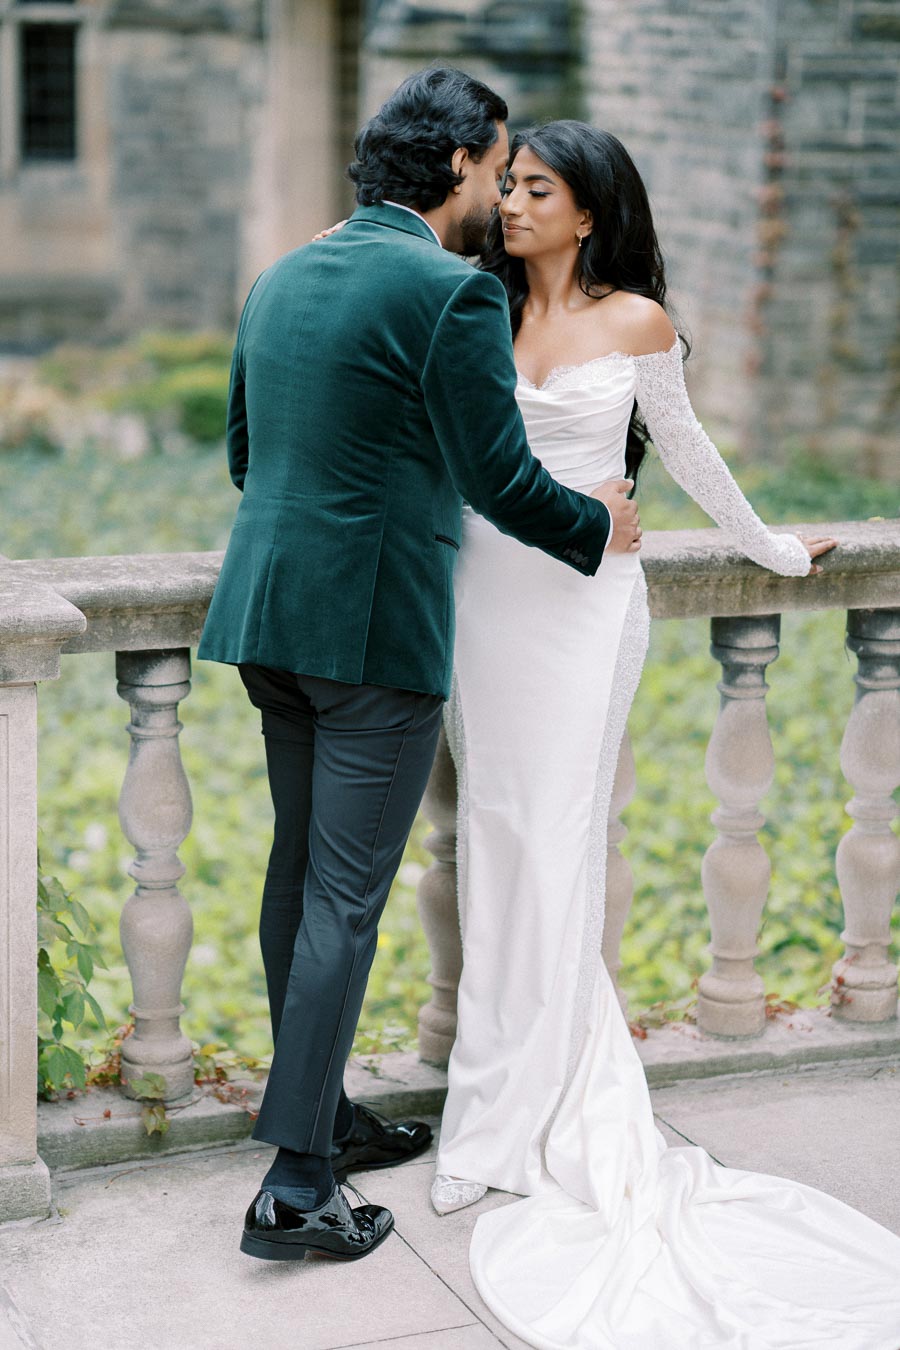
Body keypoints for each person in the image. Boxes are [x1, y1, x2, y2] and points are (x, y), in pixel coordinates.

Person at [427, 120, 900, 1348]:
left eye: (538, 189)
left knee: (564, 843)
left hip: (586, 611)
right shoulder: (473, 307)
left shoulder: (637, 322)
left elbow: (685, 453)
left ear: (590, 213)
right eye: (510, 184)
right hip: (481, 599)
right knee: (493, 839)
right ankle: (483, 1120)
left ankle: (551, 1109)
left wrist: (779, 550)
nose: (513, 202)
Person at [196, 71, 642, 1264]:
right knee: (346, 897)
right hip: (374, 635)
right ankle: (296, 1187)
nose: (505, 188)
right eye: (500, 168)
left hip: (268, 618)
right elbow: (500, 480)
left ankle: (320, 1113)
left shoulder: (280, 272)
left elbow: (247, 452)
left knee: (299, 876)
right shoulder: (449, 296)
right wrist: (601, 521)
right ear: (453, 168)